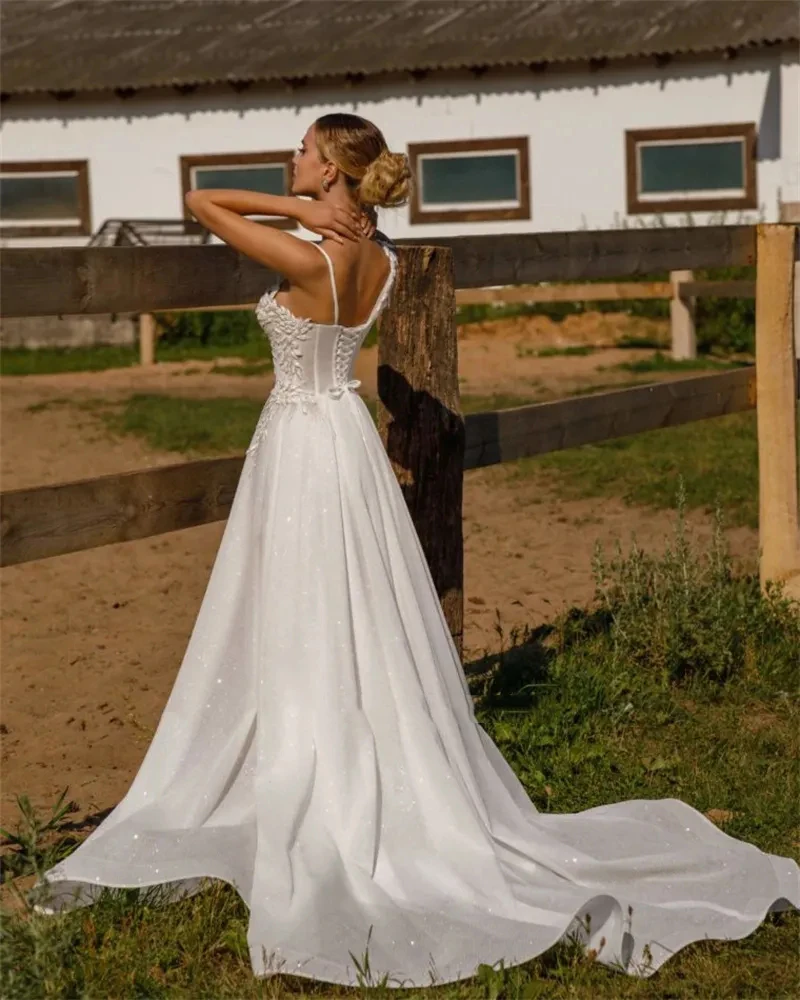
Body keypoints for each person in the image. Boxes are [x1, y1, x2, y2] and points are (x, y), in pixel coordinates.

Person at [33, 113, 798, 989]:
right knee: (349, 602)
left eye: (304, 154)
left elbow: (200, 199)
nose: (292, 160)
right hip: (344, 440)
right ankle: (340, 743)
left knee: (300, 601)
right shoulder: (384, 259)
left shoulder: (311, 256)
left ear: (331, 171)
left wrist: (297, 212)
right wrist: (318, 208)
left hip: (297, 439)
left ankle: (315, 770)